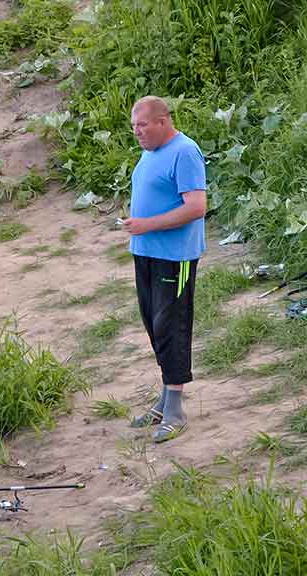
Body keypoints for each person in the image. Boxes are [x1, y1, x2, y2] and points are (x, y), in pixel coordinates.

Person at [124, 96, 207, 443]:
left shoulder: (185, 151)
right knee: (153, 325)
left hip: (174, 256)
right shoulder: (150, 151)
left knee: (171, 326)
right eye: (133, 127)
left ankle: (175, 409)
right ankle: (164, 398)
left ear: (163, 121)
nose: (137, 133)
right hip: (145, 252)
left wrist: (148, 224)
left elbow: (197, 207)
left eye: (142, 126)